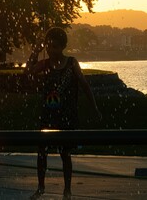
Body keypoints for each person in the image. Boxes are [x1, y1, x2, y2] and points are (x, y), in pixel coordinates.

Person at [25, 27, 102, 200]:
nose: (52, 51)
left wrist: (94, 107)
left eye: (55, 47)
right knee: (41, 151)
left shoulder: (71, 63)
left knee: (65, 153)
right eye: (49, 47)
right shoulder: (45, 64)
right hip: (48, 115)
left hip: (67, 116)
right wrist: (35, 51)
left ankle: (67, 190)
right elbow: (28, 71)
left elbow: (84, 86)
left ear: (63, 46)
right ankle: (40, 187)